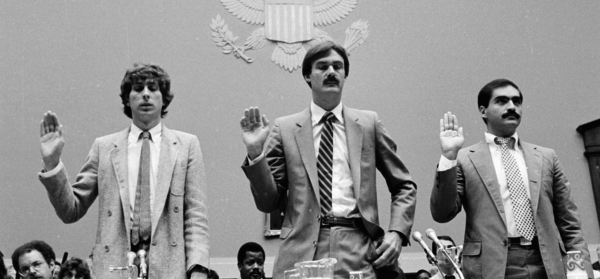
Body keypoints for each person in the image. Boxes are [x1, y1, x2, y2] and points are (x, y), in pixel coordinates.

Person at [239, 41, 417, 278]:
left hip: (358, 248)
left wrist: (397, 233)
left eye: (337, 67)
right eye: (322, 67)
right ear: (307, 76)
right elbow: (268, 202)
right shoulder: (285, 128)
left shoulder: (368, 124)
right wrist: (255, 153)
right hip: (301, 251)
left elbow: (404, 185)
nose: (331, 72)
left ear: (345, 75)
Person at [38, 63, 209, 279]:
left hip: (169, 268)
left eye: (153, 88)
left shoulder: (186, 145)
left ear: (164, 98)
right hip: (115, 268)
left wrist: (199, 269)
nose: (145, 94)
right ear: (127, 99)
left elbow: (196, 215)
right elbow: (71, 210)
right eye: (138, 89)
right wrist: (53, 164)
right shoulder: (105, 147)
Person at [431, 78, 592, 279]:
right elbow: (442, 213)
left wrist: (582, 272)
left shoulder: (546, 157)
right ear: (483, 111)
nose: (511, 107)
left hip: (548, 263)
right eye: (502, 101)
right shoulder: (464, 158)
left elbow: (570, 223)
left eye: (516, 101)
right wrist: (448, 157)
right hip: (493, 266)